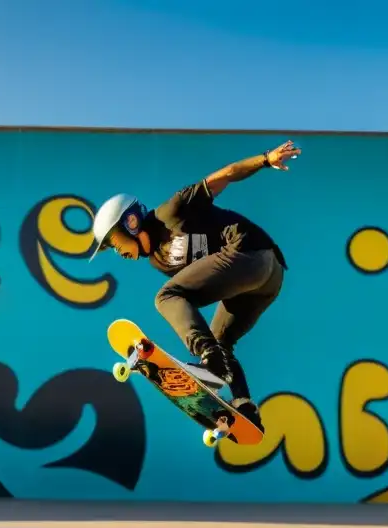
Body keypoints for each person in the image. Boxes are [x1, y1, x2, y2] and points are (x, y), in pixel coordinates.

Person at [90, 139, 301, 429]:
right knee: (221, 340)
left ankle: (209, 364)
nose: (120, 253)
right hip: (264, 282)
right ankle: (245, 406)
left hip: (251, 252)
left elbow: (224, 175)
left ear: (131, 223)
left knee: (167, 297)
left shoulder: (172, 212)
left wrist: (265, 159)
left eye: (115, 244)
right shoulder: (159, 261)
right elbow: (202, 288)